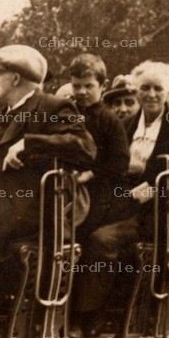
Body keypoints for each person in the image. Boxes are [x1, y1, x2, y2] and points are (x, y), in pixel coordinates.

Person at [0, 45, 96, 338]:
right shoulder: (5, 112)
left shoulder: (50, 106)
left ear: (15, 78)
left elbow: (85, 149)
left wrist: (30, 143)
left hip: (30, 212)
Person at [73, 60, 169, 333]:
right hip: (123, 205)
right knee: (81, 228)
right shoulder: (127, 124)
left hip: (159, 212)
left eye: (157, 88)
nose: (150, 94)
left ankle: (91, 315)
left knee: (102, 240)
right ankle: (79, 311)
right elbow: (114, 167)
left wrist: (141, 190)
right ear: (136, 91)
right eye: (144, 88)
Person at [65, 53, 131, 240]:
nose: (82, 91)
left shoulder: (109, 120)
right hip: (69, 187)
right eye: (76, 86)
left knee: (87, 235)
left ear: (102, 86)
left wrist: (91, 174)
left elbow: (120, 161)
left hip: (99, 191)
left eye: (89, 86)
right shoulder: (68, 113)